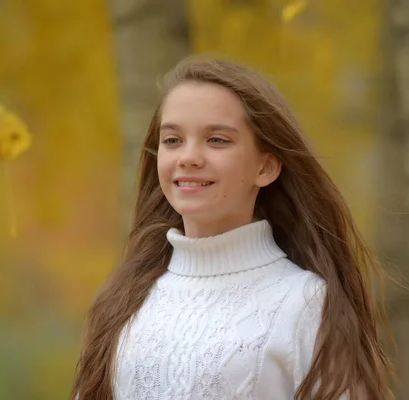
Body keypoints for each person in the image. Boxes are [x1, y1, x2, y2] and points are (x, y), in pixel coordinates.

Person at [70, 57, 392, 400]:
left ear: (265, 167)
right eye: (173, 140)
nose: (188, 157)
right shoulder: (123, 299)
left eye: (217, 140)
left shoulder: (306, 302)